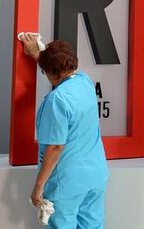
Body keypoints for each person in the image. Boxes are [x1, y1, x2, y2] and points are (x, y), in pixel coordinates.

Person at [22, 34, 109, 229]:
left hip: (67, 183)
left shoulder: (57, 101)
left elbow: (55, 147)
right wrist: (39, 57)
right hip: (95, 176)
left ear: (51, 73)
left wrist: (38, 188)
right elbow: (59, 74)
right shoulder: (85, 81)